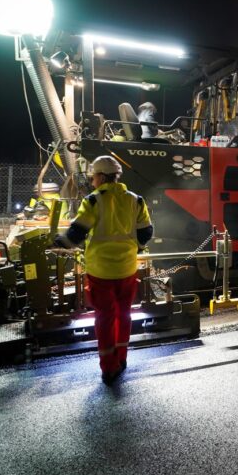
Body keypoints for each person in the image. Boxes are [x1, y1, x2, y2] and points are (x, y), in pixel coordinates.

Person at [55, 156, 153, 385]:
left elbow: (76, 234)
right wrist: (134, 248)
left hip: (101, 272)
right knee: (124, 314)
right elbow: (146, 233)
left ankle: (109, 368)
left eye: (93, 178)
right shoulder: (136, 200)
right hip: (128, 268)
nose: (92, 182)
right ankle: (122, 358)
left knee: (105, 318)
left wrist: (57, 243)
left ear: (100, 176)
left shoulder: (93, 201)